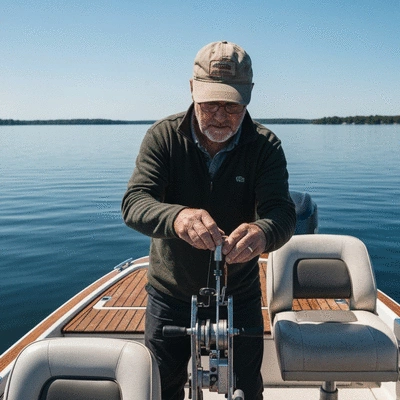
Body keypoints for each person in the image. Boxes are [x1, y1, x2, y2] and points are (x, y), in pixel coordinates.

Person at [122, 41, 296, 400]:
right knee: (160, 389)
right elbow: (134, 203)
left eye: (231, 105)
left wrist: (262, 233)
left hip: (240, 294)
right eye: (210, 103)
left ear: (248, 97)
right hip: (169, 294)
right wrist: (177, 216)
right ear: (191, 90)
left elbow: (282, 213)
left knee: (247, 390)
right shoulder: (163, 137)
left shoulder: (266, 146)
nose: (220, 115)